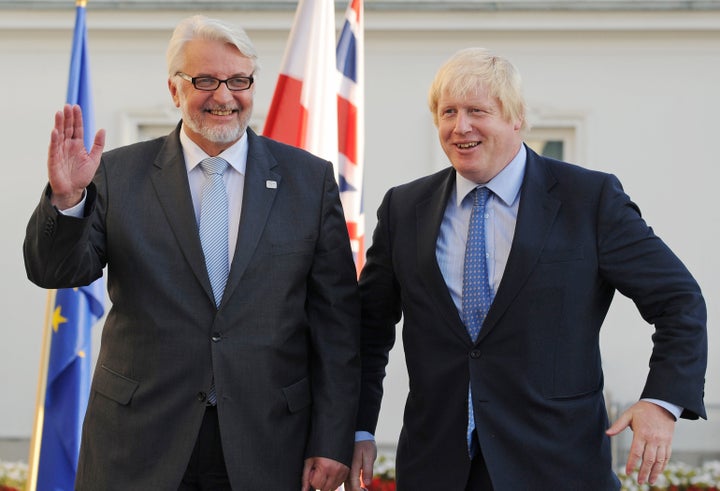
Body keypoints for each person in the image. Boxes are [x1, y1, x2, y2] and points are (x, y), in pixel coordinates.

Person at [24, 15, 361, 491]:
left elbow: (337, 325)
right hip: (139, 443)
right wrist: (66, 201)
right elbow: (55, 270)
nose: (224, 96)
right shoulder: (116, 175)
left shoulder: (309, 180)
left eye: (239, 80)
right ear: (174, 89)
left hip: (268, 445)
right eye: (205, 80)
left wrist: (332, 438)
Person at [345, 47, 707, 490]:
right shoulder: (404, 208)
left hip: (557, 465)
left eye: (477, 111)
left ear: (516, 118)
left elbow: (679, 300)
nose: (460, 127)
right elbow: (367, 329)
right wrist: (359, 427)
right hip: (438, 466)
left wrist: (661, 401)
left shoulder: (588, 200)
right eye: (448, 112)